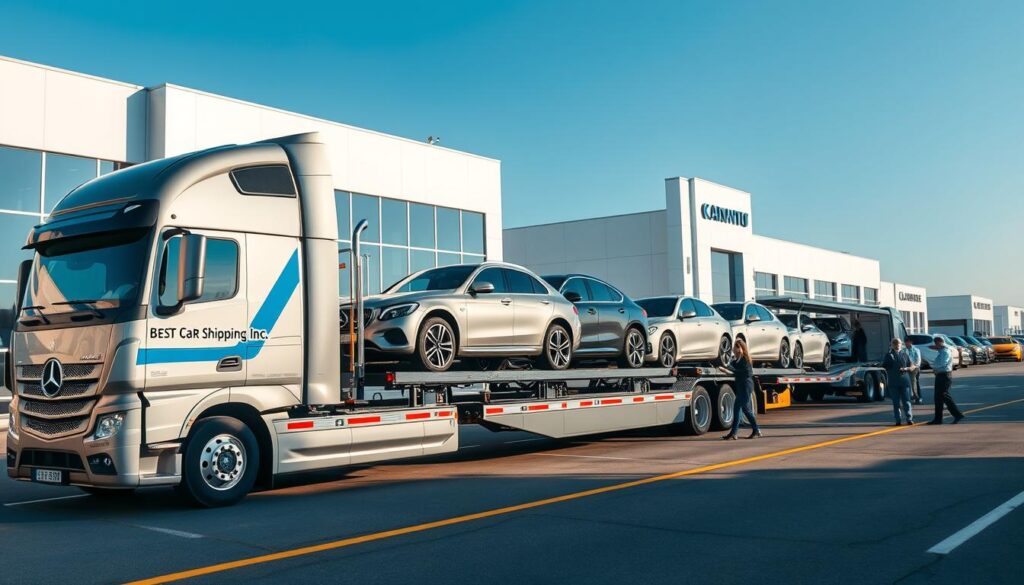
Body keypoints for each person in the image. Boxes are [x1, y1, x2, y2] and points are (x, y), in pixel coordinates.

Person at [721, 339, 762, 440]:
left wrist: (730, 371)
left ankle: (756, 430)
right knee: (737, 409)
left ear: (742, 348)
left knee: (746, 409)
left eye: (737, 347)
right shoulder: (736, 360)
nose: (735, 349)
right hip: (740, 387)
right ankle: (734, 433)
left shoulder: (746, 359)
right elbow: (733, 370)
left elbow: (746, 373)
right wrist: (726, 369)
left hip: (746, 386)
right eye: (735, 347)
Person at [928, 336, 965, 425]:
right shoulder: (941, 351)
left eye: (936, 343)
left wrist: (934, 367)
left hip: (944, 375)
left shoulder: (945, 351)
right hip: (940, 375)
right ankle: (938, 419)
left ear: (940, 342)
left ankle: (957, 414)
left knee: (944, 395)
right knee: (938, 398)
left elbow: (942, 363)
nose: (935, 345)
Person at [882, 338, 913, 425]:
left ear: (901, 344)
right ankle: (898, 420)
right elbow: (885, 366)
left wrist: (906, 368)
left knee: (906, 401)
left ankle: (909, 418)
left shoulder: (904, 354)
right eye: (894, 343)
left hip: (904, 381)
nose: (897, 345)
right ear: (891, 345)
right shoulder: (889, 355)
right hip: (893, 382)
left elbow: (911, 365)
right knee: (896, 403)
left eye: (898, 343)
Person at [904, 337, 922, 404]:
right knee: (908, 383)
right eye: (905, 342)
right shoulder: (904, 350)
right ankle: (912, 397)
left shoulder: (916, 350)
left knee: (914, 382)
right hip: (907, 368)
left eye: (907, 342)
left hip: (915, 368)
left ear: (911, 342)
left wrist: (913, 366)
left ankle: (918, 397)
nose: (906, 343)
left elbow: (918, 360)